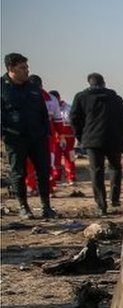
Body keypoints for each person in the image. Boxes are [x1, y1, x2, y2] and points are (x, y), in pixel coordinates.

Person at [1, 52, 56, 218]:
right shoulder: (2, 88)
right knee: (19, 172)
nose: (27, 71)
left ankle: (46, 206)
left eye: (27, 67)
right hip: (15, 138)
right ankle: (24, 207)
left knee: (43, 171)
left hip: (38, 137)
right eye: (22, 68)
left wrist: (46, 132)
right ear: (11, 69)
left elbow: (42, 112)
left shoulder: (33, 87)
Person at [70, 72, 123, 215]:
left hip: (92, 140)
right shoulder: (116, 98)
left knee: (96, 171)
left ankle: (101, 205)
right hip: (114, 138)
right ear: (104, 83)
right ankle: (114, 199)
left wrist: (81, 136)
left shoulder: (81, 97)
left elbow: (74, 119)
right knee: (115, 168)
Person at [23, 74, 62, 196]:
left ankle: (38, 188)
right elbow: (58, 121)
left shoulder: (49, 99)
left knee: (40, 163)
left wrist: (60, 135)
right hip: (42, 136)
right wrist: (60, 134)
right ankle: (39, 187)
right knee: (43, 164)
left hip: (41, 136)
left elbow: (57, 121)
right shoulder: (51, 99)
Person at [49, 90, 77, 185]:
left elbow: (74, 122)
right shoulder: (50, 107)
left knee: (70, 157)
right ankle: (56, 177)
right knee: (56, 158)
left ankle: (71, 177)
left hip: (69, 138)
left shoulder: (69, 108)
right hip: (56, 137)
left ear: (59, 98)